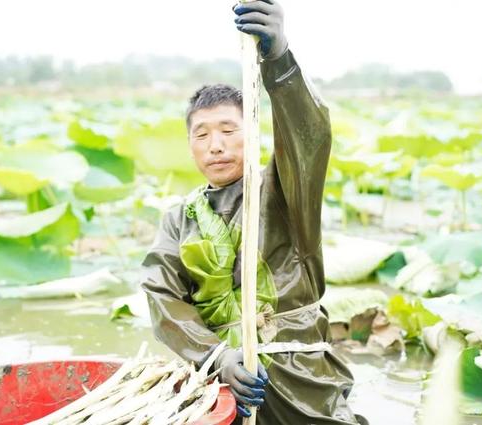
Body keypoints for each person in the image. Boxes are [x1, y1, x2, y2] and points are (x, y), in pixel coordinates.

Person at [142, 1, 367, 423]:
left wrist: (278, 56)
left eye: (229, 130)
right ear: (189, 144)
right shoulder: (179, 219)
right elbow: (163, 297)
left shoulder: (284, 189)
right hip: (224, 382)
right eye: (202, 134)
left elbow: (310, 136)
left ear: (253, 131)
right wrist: (216, 357)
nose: (216, 145)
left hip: (300, 376)